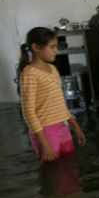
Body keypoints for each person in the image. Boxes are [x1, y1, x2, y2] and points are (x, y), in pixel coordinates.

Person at [18, 27, 86, 162]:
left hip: (62, 127)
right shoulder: (29, 73)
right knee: (53, 172)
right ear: (36, 47)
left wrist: (75, 126)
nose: (56, 50)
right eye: (52, 46)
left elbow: (59, 103)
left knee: (69, 167)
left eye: (57, 46)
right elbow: (28, 112)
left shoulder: (53, 69)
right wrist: (44, 143)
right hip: (46, 132)